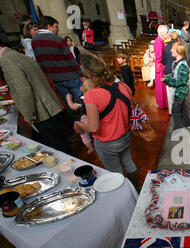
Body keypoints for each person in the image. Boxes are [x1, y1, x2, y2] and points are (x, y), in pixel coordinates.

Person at [73, 52, 140, 192]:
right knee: (128, 163)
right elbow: (132, 107)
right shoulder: (121, 85)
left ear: (89, 74)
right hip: (125, 136)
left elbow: (93, 126)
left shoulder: (92, 95)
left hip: (107, 142)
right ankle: (137, 190)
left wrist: (79, 124)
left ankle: (125, 196)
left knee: (115, 172)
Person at [0, 40, 72, 155]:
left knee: (57, 146)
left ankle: (70, 168)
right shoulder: (17, 55)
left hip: (41, 110)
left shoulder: (7, 60)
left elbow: (22, 89)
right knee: (61, 142)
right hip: (48, 105)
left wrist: (28, 114)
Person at [32, 16, 83, 115]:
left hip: (55, 78)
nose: (57, 29)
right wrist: (81, 74)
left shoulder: (34, 41)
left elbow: (39, 61)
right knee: (80, 101)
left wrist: (49, 75)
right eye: (56, 27)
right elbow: (71, 59)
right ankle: (85, 120)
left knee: (67, 103)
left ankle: (76, 123)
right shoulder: (57, 39)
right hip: (71, 76)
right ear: (49, 26)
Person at [162, 42, 190, 139]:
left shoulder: (182, 65)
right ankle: (188, 123)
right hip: (179, 90)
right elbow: (176, 74)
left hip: (180, 91)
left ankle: (178, 129)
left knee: (175, 111)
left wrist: (167, 80)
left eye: (172, 49)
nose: (170, 50)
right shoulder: (176, 62)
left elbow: (181, 81)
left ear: (178, 51)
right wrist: (170, 76)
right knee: (182, 107)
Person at [66, 79, 96, 153]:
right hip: (94, 119)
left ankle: (90, 148)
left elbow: (73, 106)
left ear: (81, 89)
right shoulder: (95, 98)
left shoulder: (80, 100)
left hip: (84, 121)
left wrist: (68, 98)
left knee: (84, 136)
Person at [162, 31, 180, 115]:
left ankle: (170, 111)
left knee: (169, 93)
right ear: (177, 37)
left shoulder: (167, 47)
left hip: (167, 72)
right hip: (175, 72)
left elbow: (164, 61)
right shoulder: (178, 47)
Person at [154, 24, 169, 110]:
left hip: (162, 64)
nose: (168, 34)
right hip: (161, 66)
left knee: (164, 86)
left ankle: (165, 102)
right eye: (166, 32)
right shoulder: (158, 41)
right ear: (161, 33)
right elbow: (159, 57)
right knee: (162, 86)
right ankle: (163, 103)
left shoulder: (162, 40)